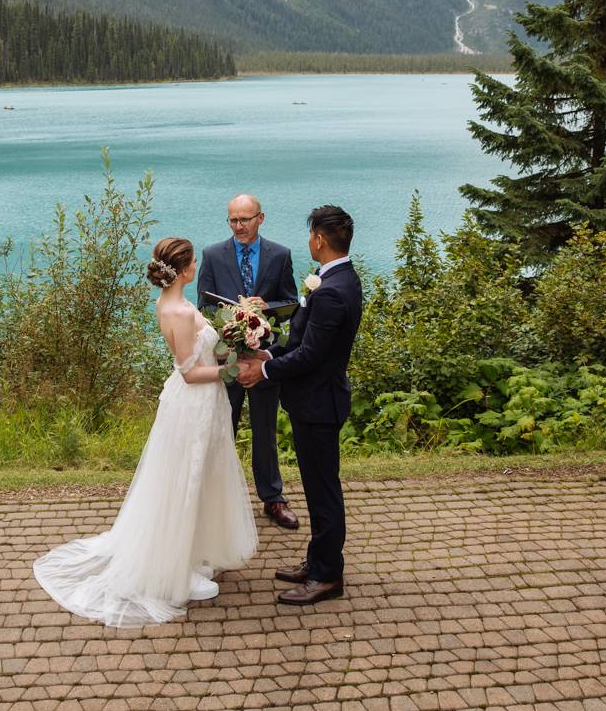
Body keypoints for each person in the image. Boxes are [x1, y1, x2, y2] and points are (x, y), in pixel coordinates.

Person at [33, 237, 257, 627]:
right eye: (191, 262)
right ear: (184, 268)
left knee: (199, 478)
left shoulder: (170, 303)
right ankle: (174, 568)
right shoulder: (181, 312)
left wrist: (235, 339)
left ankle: (190, 553)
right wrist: (232, 371)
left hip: (202, 405)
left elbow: (199, 354)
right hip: (194, 405)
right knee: (184, 481)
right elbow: (189, 374)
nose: (195, 267)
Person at [238, 205, 361, 606]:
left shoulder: (332, 292)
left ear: (320, 240)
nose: (309, 241)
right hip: (315, 400)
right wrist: (271, 356)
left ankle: (327, 576)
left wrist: (265, 372)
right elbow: (303, 346)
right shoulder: (335, 280)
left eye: (311, 235)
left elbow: (310, 356)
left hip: (319, 404)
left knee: (324, 492)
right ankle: (317, 560)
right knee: (315, 487)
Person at [195, 194, 300, 531]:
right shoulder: (212, 255)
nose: (239, 226)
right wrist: (230, 317)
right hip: (225, 361)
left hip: (263, 359)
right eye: (233, 220)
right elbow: (203, 308)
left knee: (265, 432)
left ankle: (273, 499)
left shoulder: (280, 255)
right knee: (220, 430)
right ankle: (214, 501)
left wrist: (265, 307)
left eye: (245, 219)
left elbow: (291, 304)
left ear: (261, 218)